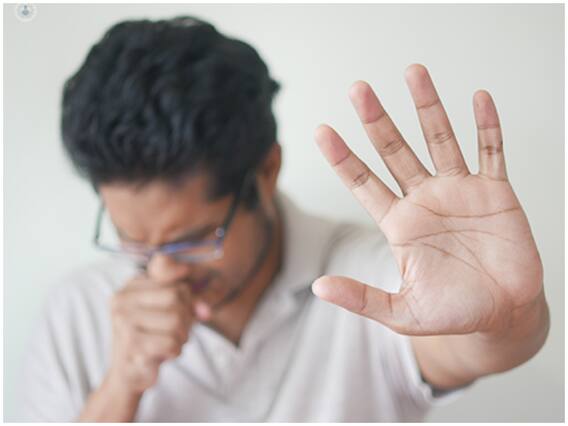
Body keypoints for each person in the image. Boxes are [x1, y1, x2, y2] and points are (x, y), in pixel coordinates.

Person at [16, 15, 550, 422]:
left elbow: (468, 344)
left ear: (267, 171)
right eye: (133, 242)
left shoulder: (373, 274)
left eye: (194, 239)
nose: (162, 271)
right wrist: (119, 389)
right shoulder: (76, 312)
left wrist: (506, 318)